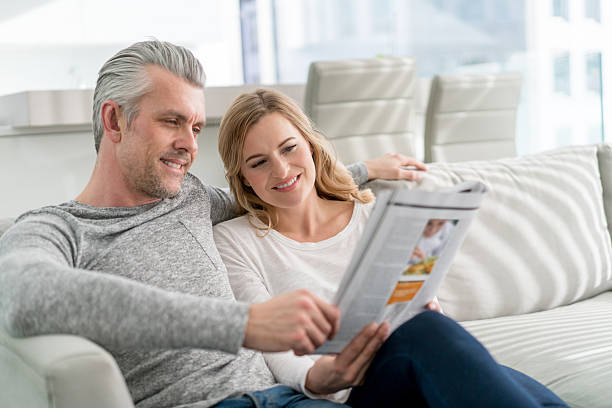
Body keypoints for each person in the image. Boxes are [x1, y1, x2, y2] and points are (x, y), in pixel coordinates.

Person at [0, 40, 425, 408]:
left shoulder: (192, 199)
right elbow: (25, 295)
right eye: (172, 121)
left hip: (289, 399)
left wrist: (366, 168)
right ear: (114, 121)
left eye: (196, 126)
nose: (189, 144)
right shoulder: (57, 228)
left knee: (427, 348)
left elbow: (274, 188)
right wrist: (244, 325)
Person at [213, 88, 569, 407]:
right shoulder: (235, 241)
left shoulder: (373, 215)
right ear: (242, 176)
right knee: (430, 336)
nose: (281, 169)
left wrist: (427, 307)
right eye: (258, 162)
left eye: (289, 148)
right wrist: (319, 377)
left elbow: (425, 310)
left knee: (524, 390)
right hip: (354, 389)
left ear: (309, 144)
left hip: (415, 354)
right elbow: (267, 338)